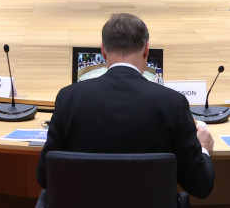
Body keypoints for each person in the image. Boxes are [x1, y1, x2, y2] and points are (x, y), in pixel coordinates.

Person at [36, 13, 214, 200]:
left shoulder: (69, 99)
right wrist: (203, 148)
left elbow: (44, 177)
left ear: (103, 51)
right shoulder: (173, 104)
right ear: (146, 50)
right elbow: (200, 186)